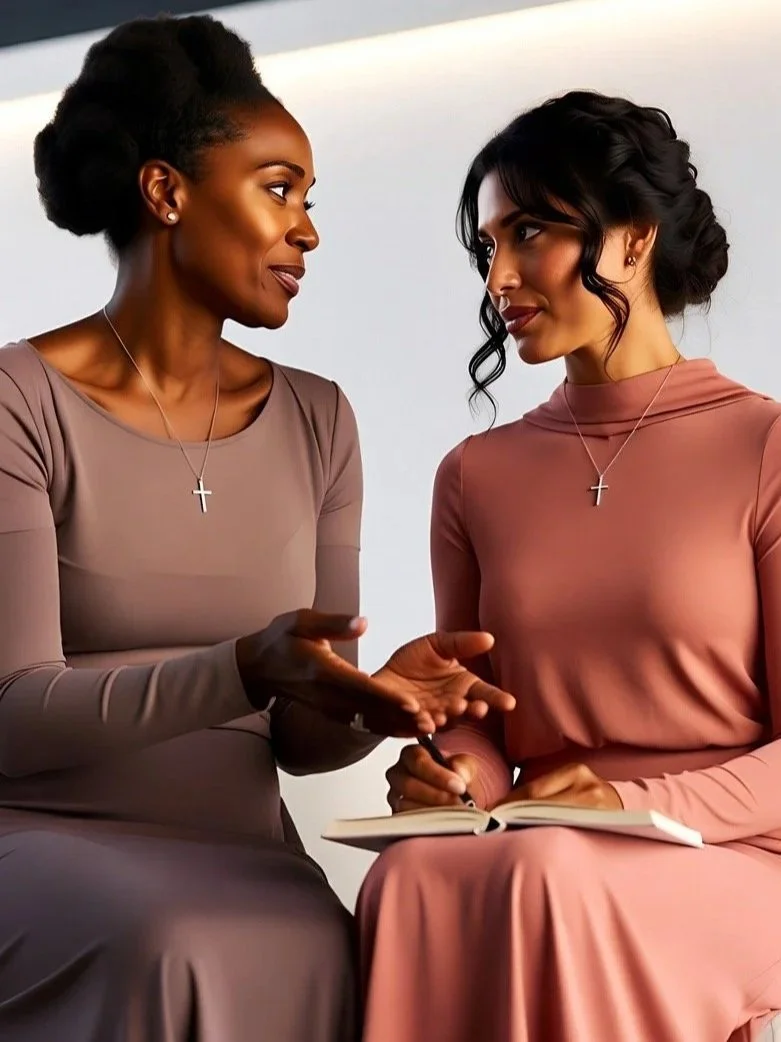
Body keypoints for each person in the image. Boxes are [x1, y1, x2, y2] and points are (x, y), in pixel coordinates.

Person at [0, 14, 516, 1042]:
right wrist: (243, 665)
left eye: (308, 200)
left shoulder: (320, 418)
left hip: (242, 845)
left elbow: (296, 742)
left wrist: (372, 697)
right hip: (45, 841)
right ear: (166, 192)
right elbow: (14, 713)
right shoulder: (20, 402)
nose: (308, 231)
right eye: (278, 189)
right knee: (170, 941)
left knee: (338, 944)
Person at [357, 90, 781, 1042]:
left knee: (551, 874)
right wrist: (452, 778)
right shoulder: (475, 475)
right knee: (410, 874)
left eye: (531, 233)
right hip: (544, 839)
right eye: (487, 246)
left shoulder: (763, 446)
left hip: (736, 850)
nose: (499, 274)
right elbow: (479, 718)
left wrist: (628, 803)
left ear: (631, 239)